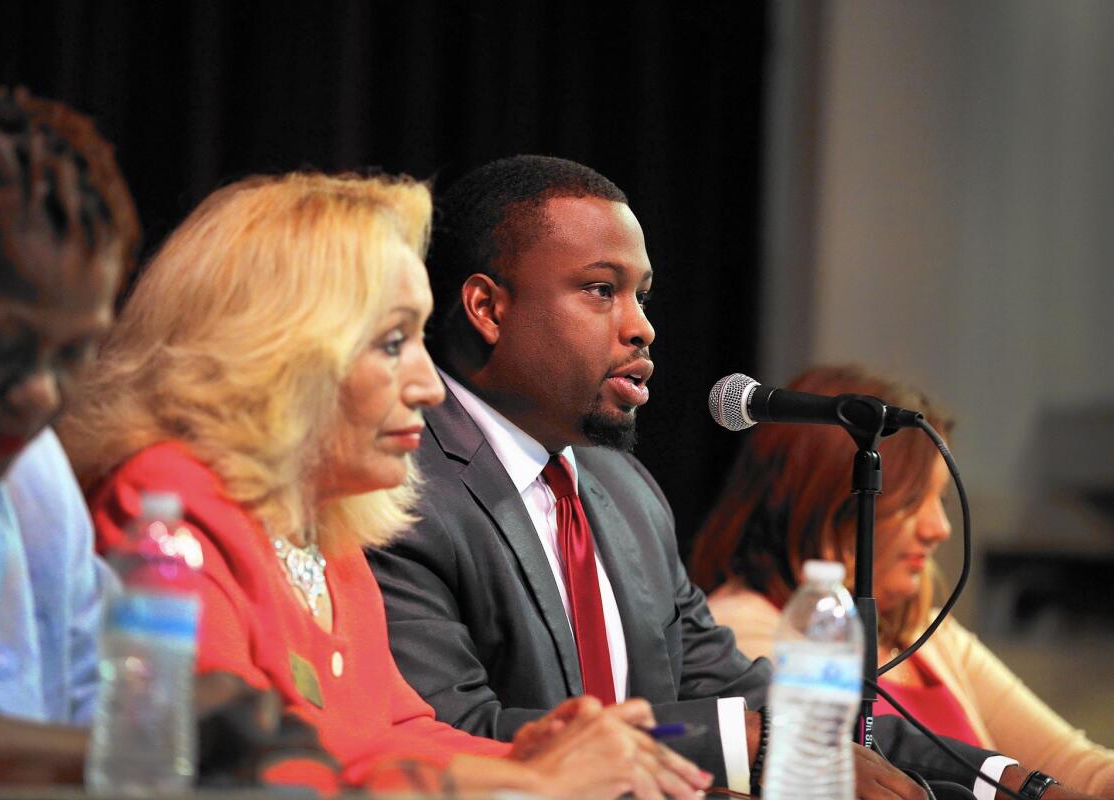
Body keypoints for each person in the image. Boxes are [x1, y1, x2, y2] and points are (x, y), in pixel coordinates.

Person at [366, 153, 1107, 800]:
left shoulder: (625, 494)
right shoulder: (398, 491)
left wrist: (1013, 782)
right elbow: (457, 731)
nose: (641, 327)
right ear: (488, 307)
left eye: (642, 295)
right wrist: (744, 742)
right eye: (601, 290)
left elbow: (750, 698)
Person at [62, 171, 710, 797]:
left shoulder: (333, 528)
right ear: (277, 348)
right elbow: (235, 775)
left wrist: (534, 754)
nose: (429, 386)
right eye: (394, 341)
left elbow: (399, 735)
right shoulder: (168, 508)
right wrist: (533, 781)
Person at [690, 364, 1114, 797]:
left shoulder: (931, 634)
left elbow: (1082, 770)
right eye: (914, 501)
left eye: (941, 499)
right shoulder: (741, 627)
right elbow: (845, 766)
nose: (940, 528)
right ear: (834, 499)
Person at [0, 88, 137, 781]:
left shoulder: (34, 472)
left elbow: (94, 695)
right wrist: (133, 752)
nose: (38, 391)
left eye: (75, 353)